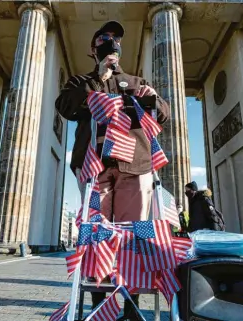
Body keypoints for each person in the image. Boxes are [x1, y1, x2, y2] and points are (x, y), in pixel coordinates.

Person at [55, 20, 170, 321]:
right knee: (97, 234)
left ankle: (131, 308)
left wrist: (152, 97)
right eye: (104, 38)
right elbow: (66, 108)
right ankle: (98, 306)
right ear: (94, 49)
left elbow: (163, 114)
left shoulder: (136, 81)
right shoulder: (79, 82)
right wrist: (99, 78)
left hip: (135, 164)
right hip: (95, 165)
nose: (111, 41)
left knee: (134, 235)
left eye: (115, 38)